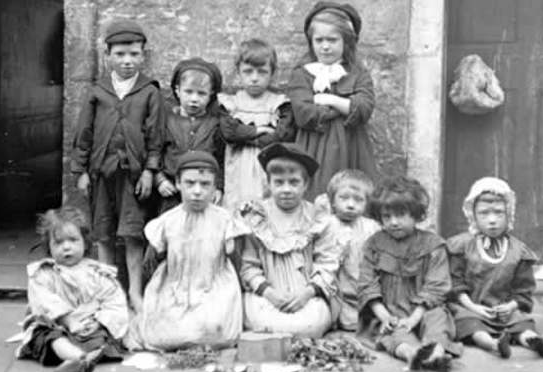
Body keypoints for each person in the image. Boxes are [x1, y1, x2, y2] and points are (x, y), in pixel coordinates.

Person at [70, 19, 163, 312]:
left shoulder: (150, 92)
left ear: (143, 56)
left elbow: (155, 135)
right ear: (107, 54)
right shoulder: (98, 92)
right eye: (120, 54)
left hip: (133, 177)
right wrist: (81, 171)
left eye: (134, 54)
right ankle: (108, 293)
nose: (127, 61)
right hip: (101, 174)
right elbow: (84, 132)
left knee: (133, 234)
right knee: (104, 234)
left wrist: (149, 170)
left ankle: (135, 291)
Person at [125, 151, 247, 351]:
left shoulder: (224, 220)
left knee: (215, 328)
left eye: (205, 184)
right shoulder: (167, 222)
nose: (197, 191)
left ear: (215, 187)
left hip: (213, 289)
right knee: (164, 335)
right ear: (178, 183)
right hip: (176, 289)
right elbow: (150, 264)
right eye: (190, 183)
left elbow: (237, 262)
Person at [357, 177, 462, 372]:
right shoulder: (373, 245)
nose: (394, 222)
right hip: (390, 310)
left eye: (401, 215)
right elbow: (367, 284)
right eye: (387, 217)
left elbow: (436, 286)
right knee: (391, 334)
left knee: (437, 319)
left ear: (416, 215)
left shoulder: (433, 245)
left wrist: (414, 318)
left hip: (424, 309)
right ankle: (410, 354)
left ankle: (436, 353)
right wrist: (384, 316)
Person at [238, 143, 339, 338]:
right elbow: (249, 266)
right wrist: (269, 294)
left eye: (294, 182)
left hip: (307, 297)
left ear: (306, 184)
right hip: (267, 296)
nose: (286, 189)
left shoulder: (317, 218)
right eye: (279, 182)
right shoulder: (257, 217)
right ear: (268, 183)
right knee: (257, 318)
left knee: (311, 324)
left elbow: (327, 263)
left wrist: (307, 294)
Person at [16, 207, 128, 372]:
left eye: (73, 240)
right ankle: (78, 358)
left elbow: (113, 299)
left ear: (85, 242)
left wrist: (99, 322)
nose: (66, 247)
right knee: (50, 337)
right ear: (49, 247)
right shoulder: (42, 274)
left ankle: (82, 357)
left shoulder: (97, 273)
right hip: (56, 325)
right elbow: (44, 303)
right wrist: (68, 320)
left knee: (102, 337)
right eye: (58, 243)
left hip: (88, 327)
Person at [447, 177, 543, 359]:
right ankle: (493, 344)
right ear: (473, 215)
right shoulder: (460, 246)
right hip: (470, 307)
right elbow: (456, 284)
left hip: (503, 310)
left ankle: (530, 339)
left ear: (508, 214)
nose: (492, 220)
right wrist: (474, 307)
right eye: (484, 214)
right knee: (469, 325)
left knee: (521, 322)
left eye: (499, 213)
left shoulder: (518, 251)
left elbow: (523, 290)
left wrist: (510, 307)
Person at [288, 2, 377, 200]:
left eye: (332, 40)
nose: (325, 46)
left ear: (346, 42)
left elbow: (364, 108)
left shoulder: (357, 73)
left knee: (352, 197)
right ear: (311, 41)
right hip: (313, 147)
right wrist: (345, 106)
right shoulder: (302, 74)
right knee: (315, 196)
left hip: (352, 146)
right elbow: (304, 114)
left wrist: (329, 100)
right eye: (319, 40)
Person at [219, 38, 295, 210]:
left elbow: (281, 137)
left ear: (272, 73)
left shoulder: (278, 104)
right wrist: (259, 130)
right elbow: (229, 133)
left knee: (265, 208)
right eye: (248, 72)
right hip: (237, 168)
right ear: (238, 72)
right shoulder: (231, 103)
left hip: (266, 167)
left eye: (262, 72)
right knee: (236, 207)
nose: (254, 78)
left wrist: (244, 135)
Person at [155, 57, 227, 213]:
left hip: (203, 190)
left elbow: (221, 158)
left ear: (211, 95)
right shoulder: (167, 121)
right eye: (188, 92)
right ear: (177, 90)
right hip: (171, 191)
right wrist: (159, 180)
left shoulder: (215, 124)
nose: (194, 99)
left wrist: (218, 187)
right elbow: (155, 151)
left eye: (201, 94)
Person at [315, 169, 379, 331]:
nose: (350, 205)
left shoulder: (371, 227)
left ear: (366, 204)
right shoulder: (326, 224)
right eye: (343, 198)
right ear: (333, 201)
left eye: (358, 200)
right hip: (337, 291)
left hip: (362, 287)